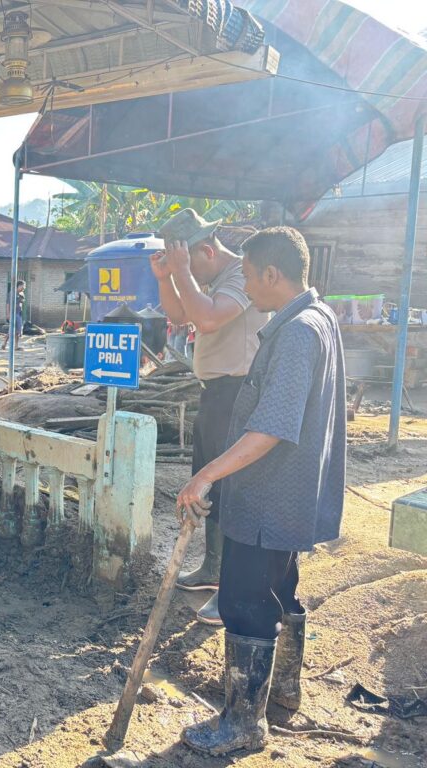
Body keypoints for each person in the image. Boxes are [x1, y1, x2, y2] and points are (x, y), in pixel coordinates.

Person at [176, 227, 346, 756]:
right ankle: (282, 693)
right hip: (290, 495)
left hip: (267, 495)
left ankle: (243, 721)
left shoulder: (297, 333)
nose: (245, 287)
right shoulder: (317, 318)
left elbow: (271, 427)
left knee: (246, 602)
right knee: (278, 590)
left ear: (273, 274)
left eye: (248, 277)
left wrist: (208, 474)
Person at [151, 209, 270, 625]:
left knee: (232, 489)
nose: (188, 273)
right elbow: (181, 315)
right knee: (210, 484)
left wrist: (182, 272)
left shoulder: (240, 275)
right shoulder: (208, 279)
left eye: (188, 260)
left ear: (204, 249)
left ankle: (234, 590)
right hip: (215, 394)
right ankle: (214, 569)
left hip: (238, 394)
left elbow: (206, 317)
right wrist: (168, 278)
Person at [1, 279, 26, 351]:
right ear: (18, 286)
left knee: (17, 331)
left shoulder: (21, 294)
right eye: (22, 286)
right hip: (13, 314)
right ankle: (5, 344)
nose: (23, 288)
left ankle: (15, 346)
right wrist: (8, 314)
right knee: (12, 330)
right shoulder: (12, 293)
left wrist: (22, 299)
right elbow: (8, 304)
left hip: (19, 313)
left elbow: (22, 302)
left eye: (24, 287)